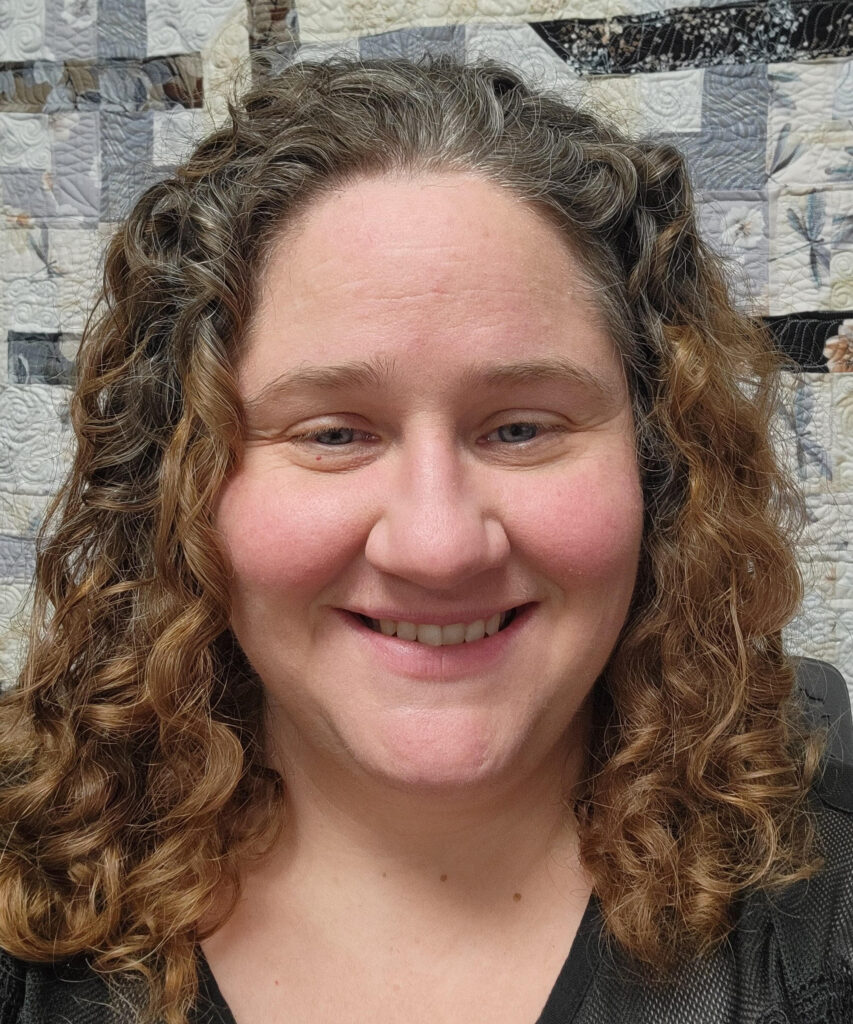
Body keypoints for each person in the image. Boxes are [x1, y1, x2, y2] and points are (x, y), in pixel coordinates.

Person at [0, 53, 850, 1024]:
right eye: (332, 433)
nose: (438, 545)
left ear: (658, 463)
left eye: (521, 427)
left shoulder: (825, 918)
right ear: (183, 479)